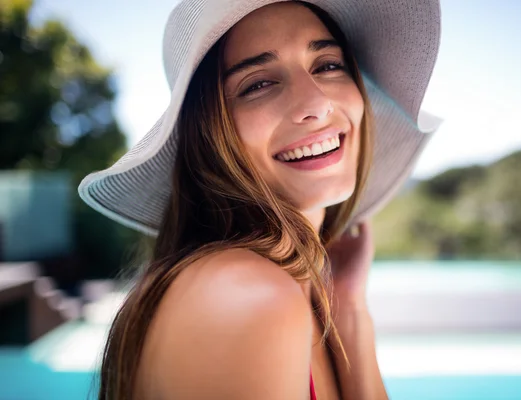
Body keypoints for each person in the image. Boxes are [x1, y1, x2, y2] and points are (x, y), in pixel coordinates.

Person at [78, 0, 441, 399]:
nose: (316, 104)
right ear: (209, 132)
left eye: (327, 65)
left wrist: (349, 309)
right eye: (257, 84)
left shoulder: (278, 289)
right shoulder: (250, 294)